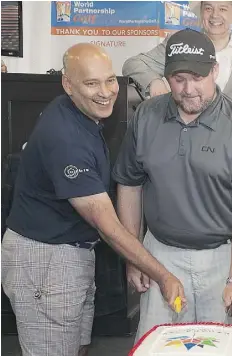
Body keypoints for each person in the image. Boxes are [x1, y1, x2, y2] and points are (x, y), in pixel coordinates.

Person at [1, 43, 185, 356]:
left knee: (77, 345)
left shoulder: (75, 111)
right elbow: (106, 224)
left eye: (109, 80)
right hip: (45, 260)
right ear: (67, 84)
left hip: (69, 253)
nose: (105, 92)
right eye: (91, 83)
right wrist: (163, 276)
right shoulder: (65, 138)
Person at [112, 28, 232, 341]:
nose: (188, 89)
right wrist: (135, 258)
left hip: (225, 257)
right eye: (179, 79)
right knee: (160, 345)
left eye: (198, 78)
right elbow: (129, 187)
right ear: (166, 77)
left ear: (215, 71)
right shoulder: (146, 116)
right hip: (161, 256)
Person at [122, 1, 232, 146]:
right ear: (201, 13)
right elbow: (133, 64)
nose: (215, 15)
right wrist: (154, 82)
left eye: (223, 9)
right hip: (183, 148)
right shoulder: (180, 45)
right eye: (208, 8)